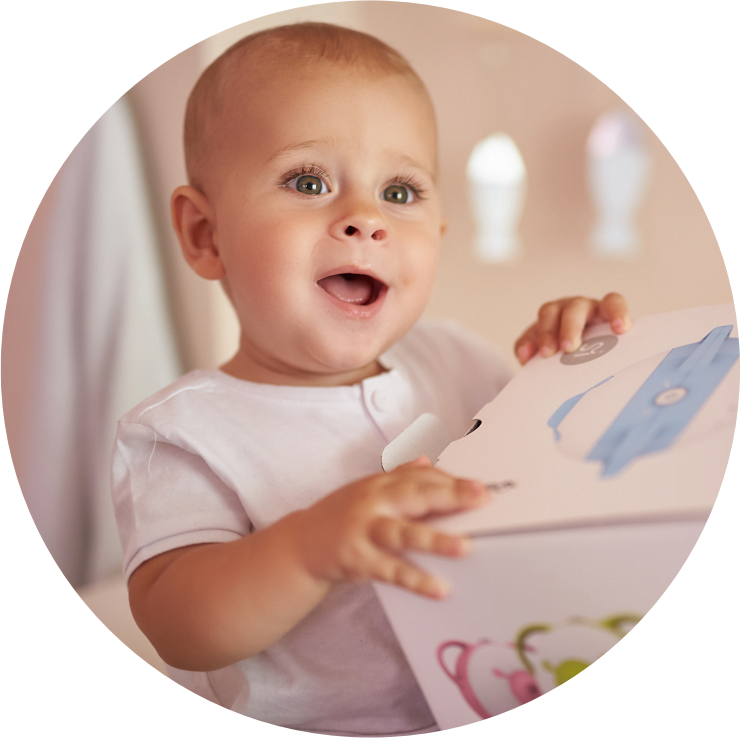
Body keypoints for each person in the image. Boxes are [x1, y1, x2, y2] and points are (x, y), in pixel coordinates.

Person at [111, 22, 631, 736]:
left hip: (510, 701)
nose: (363, 218)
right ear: (206, 234)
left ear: (438, 237)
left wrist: (578, 364)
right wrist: (308, 544)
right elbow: (181, 626)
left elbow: (556, 476)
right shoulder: (182, 430)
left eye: (399, 190)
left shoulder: (460, 361)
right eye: (308, 181)